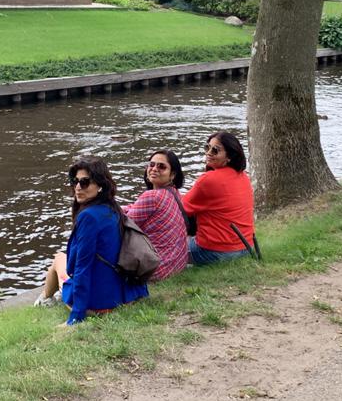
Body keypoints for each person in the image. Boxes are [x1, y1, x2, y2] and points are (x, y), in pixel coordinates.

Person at [36, 157, 148, 324]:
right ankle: (47, 298)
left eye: (85, 182)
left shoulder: (88, 217)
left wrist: (76, 316)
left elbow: (81, 268)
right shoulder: (113, 209)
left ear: (100, 185)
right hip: (123, 293)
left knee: (59, 258)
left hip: (99, 303)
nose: (78, 187)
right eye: (75, 182)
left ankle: (44, 300)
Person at [181, 131, 255, 265]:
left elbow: (181, 208)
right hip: (246, 248)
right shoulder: (243, 176)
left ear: (229, 157)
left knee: (164, 248)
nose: (209, 153)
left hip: (215, 253)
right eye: (207, 147)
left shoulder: (208, 179)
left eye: (215, 150)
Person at [123, 150, 188, 281]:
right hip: (176, 263)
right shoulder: (173, 193)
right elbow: (135, 208)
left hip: (156, 269)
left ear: (173, 174)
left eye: (161, 166)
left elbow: (122, 225)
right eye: (151, 164)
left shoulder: (152, 196)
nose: (154, 169)